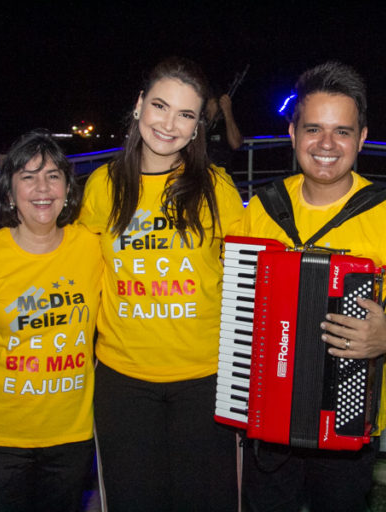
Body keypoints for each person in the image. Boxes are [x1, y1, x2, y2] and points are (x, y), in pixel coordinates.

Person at [236, 61, 386, 512]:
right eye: (313, 129)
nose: (326, 145)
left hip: (346, 420)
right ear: (292, 133)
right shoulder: (261, 208)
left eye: (342, 132)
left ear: (362, 138)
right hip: (267, 415)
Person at [78, 57, 244, 511]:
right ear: (138, 107)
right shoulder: (101, 187)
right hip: (122, 380)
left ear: (197, 128)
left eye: (186, 115)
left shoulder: (218, 189)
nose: (169, 124)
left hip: (204, 380)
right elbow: (79, 272)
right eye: (160, 106)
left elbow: (251, 275)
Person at [0, 129, 103, 512]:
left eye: (52, 175)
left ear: (67, 188)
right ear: (10, 194)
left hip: (70, 436)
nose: (42, 188)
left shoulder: (92, 247)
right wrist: (0, 349)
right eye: (28, 177)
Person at [206, 92, 244, 170]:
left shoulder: (226, 124)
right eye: (207, 104)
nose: (209, 107)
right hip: (202, 173)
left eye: (213, 104)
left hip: (222, 172)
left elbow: (236, 144)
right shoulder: (200, 125)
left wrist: (227, 111)